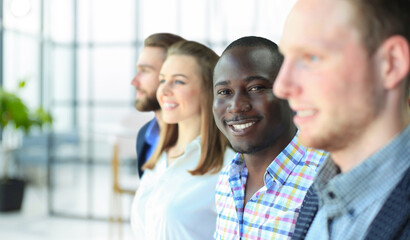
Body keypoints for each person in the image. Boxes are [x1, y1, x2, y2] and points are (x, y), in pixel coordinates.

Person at [273, 0, 410, 239]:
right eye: (286, 58)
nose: (281, 87)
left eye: (311, 58)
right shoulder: (323, 192)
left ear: (390, 64)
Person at [212, 36, 328, 239]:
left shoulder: (324, 180)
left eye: (256, 88)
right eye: (224, 91)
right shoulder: (226, 180)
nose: (236, 105)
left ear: (289, 93)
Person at [130, 40, 235, 240]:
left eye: (178, 81)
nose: (164, 91)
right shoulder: (159, 158)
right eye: (162, 80)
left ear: (208, 91)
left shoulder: (228, 170)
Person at [131, 33, 185, 177]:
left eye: (145, 71)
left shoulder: (196, 143)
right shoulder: (145, 136)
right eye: (138, 71)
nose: (134, 82)